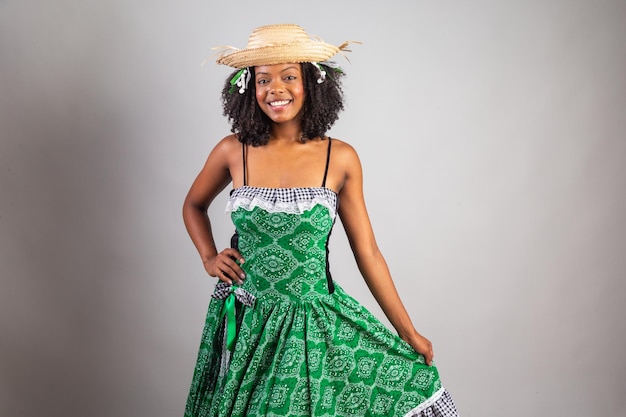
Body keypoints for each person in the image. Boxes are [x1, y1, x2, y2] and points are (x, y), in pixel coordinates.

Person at [182, 23, 459, 417]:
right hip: (250, 322)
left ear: (312, 83)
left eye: (289, 77)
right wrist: (209, 257)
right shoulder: (233, 151)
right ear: (248, 88)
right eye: (264, 80)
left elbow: (369, 253)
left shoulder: (340, 158)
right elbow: (193, 205)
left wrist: (407, 330)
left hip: (314, 322)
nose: (276, 89)